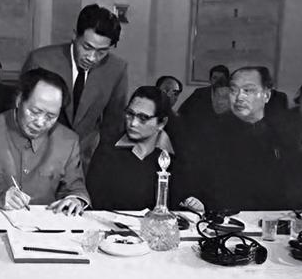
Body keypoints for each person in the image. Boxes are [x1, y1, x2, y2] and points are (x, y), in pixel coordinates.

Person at [0, 68, 90, 215]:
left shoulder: (68, 141)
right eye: (34, 112)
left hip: (44, 226)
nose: (40, 123)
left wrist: (75, 199)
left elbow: (75, 188)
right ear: (19, 100)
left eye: (50, 116)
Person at [22, 4, 129, 173]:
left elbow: (113, 127)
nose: (92, 58)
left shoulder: (116, 69)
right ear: (74, 35)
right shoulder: (41, 61)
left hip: (85, 165)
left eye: (101, 52)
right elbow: (20, 117)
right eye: (87, 47)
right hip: (37, 163)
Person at [188, 66, 289, 211]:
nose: (239, 97)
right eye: (234, 90)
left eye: (248, 90)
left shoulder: (282, 134)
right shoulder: (210, 132)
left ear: (267, 95)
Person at [87, 86, 179, 210]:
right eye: (130, 114)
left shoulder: (175, 156)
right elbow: (95, 199)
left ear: (162, 123)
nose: (133, 123)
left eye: (143, 118)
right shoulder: (107, 149)